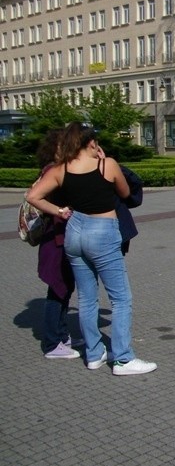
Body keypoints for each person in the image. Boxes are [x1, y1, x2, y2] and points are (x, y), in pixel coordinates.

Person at [26, 122, 157, 375]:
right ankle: (122, 358)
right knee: (120, 298)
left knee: (87, 297)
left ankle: (94, 354)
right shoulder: (105, 165)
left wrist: (60, 211)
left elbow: (33, 196)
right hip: (103, 229)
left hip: (75, 230)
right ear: (91, 143)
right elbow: (125, 191)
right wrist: (106, 161)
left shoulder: (61, 169)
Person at [34, 129, 80, 359]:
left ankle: (62, 334)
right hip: (56, 240)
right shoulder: (53, 170)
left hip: (60, 238)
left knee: (64, 288)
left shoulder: (55, 169)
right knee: (57, 289)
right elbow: (33, 196)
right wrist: (60, 211)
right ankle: (53, 343)